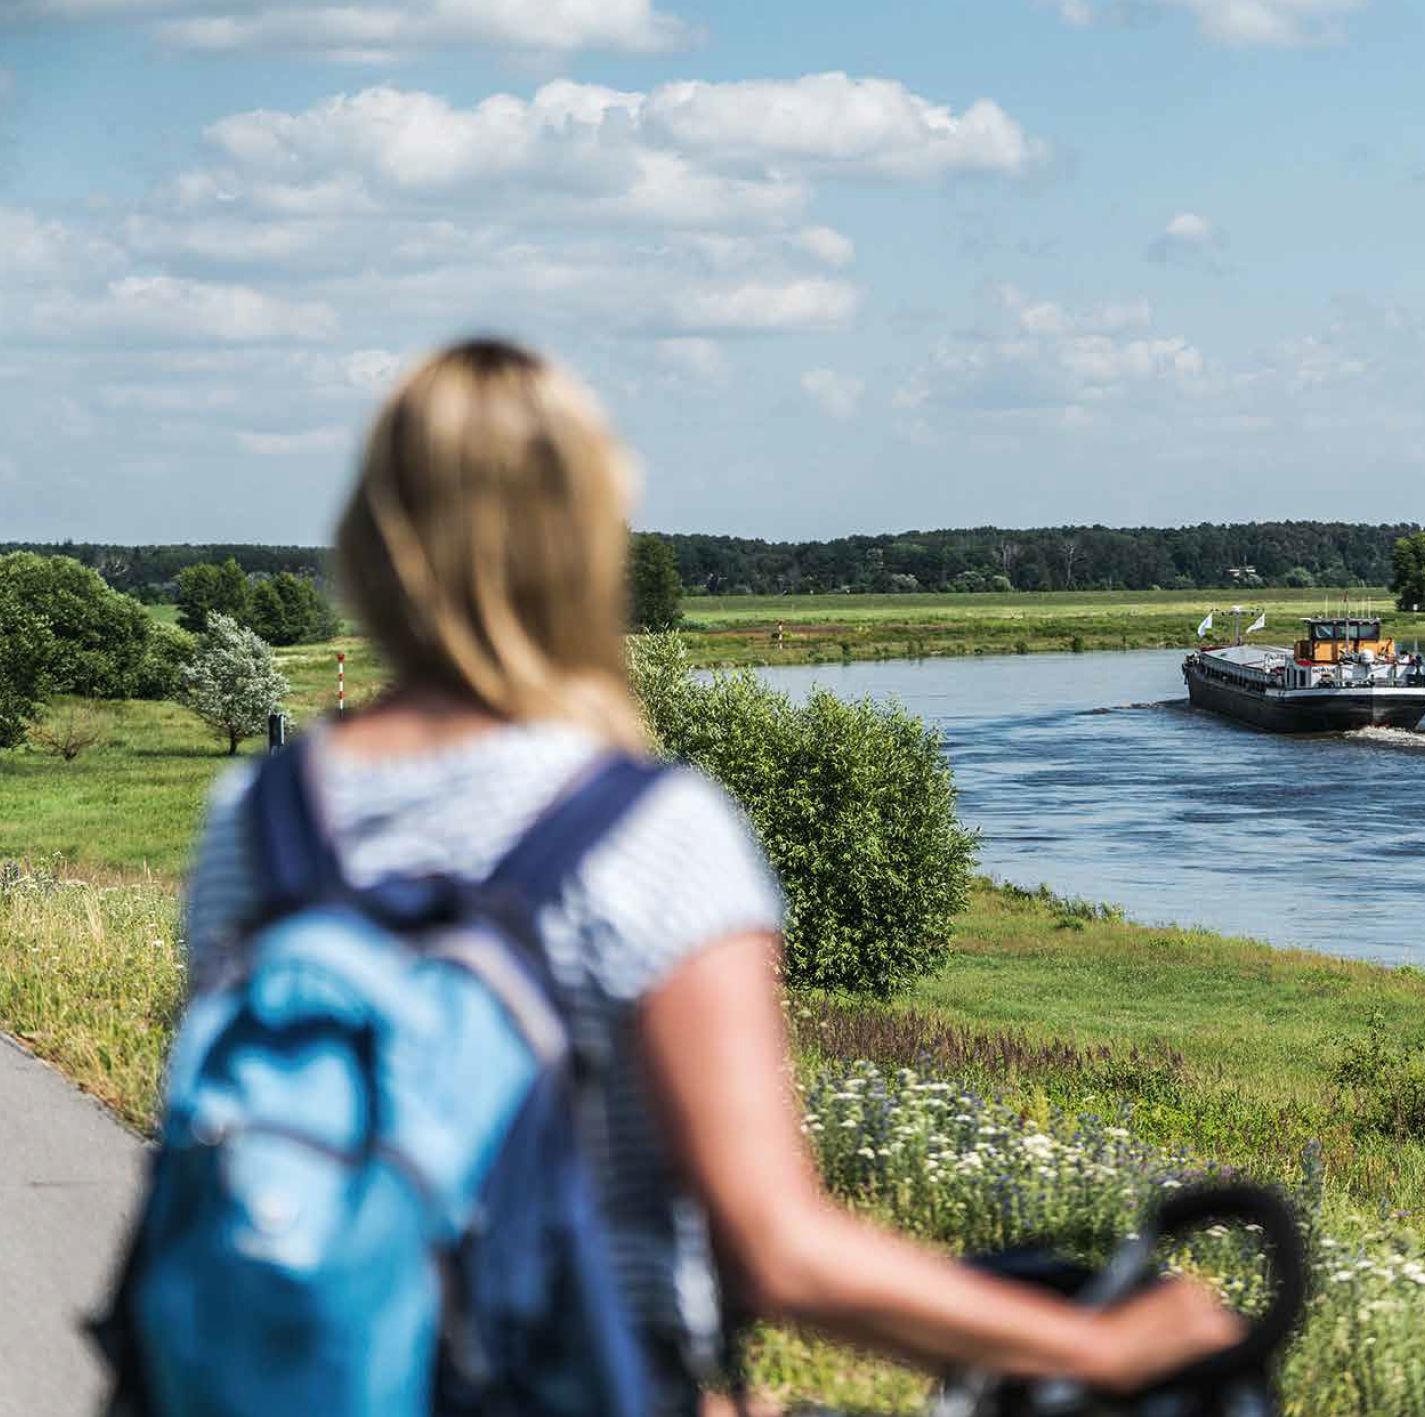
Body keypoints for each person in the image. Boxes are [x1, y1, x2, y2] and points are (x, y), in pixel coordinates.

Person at [180, 338, 1239, 1413]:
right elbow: (778, 1254)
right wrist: (1092, 1346)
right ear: (585, 548)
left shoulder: (254, 822)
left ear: (369, 544)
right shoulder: (645, 831)